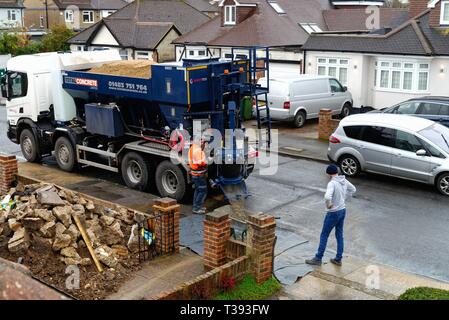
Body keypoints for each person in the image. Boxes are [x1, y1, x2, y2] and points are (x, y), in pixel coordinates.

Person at [306, 164, 356, 266]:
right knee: (339, 235)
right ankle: (338, 259)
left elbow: (327, 196)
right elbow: (353, 189)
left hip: (333, 213)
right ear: (337, 172)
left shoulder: (332, 183)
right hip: (342, 210)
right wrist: (344, 197)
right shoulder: (344, 180)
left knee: (324, 235)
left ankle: (318, 258)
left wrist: (329, 204)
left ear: (328, 174)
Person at [188, 135, 209, 214]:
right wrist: (207, 161)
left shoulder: (194, 147)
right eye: (201, 140)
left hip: (195, 174)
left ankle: (197, 206)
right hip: (198, 175)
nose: (203, 141)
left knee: (198, 190)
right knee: (202, 191)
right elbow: (201, 162)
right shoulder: (197, 150)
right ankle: (196, 208)